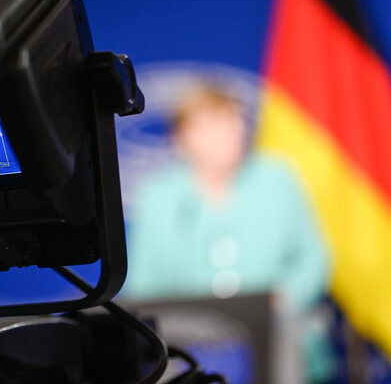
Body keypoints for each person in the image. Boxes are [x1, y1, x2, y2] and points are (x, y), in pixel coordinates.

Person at [122, 82, 332, 382]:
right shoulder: (158, 195)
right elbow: (144, 285)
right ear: (183, 138)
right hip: (191, 334)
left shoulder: (277, 178)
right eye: (213, 124)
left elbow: (313, 260)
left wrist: (285, 298)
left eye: (234, 120)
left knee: (282, 346)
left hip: (276, 327)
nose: (230, 132)